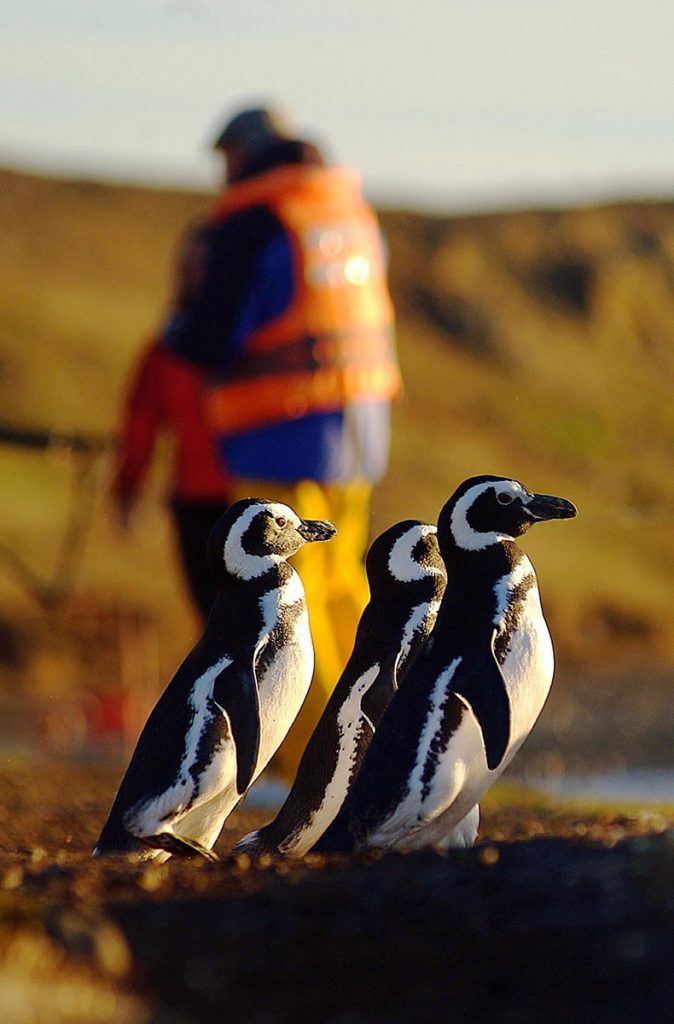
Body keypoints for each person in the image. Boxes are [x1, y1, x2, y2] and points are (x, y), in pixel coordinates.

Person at [160, 103, 402, 775]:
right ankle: (390, 742)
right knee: (344, 588)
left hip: (283, 433)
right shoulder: (345, 211)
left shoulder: (253, 220)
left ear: (242, 155)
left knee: (284, 601)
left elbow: (207, 339)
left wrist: (176, 328)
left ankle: (334, 769)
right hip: (359, 429)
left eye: (224, 161)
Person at [111, 332, 233, 623]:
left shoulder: (174, 343)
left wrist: (128, 489)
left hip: (201, 498)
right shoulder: (262, 329)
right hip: (268, 491)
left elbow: (140, 423)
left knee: (219, 623)